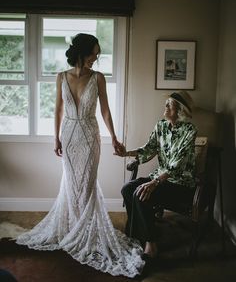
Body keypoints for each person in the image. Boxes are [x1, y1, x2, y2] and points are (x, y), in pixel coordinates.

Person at [16, 33, 144, 277]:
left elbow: (105, 110)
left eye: (97, 53)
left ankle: (86, 233)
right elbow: (58, 109)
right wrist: (56, 138)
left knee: (86, 185)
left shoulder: (98, 78)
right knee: (72, 184)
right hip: (69, 134)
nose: (97, 57)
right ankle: (75, 228)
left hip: (89, 136)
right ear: (82, 52)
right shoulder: (61, 77)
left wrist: (114, 137)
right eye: (94, 52)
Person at [116, 91, 197, 260]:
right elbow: (148, 149)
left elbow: (178, 163)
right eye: (166, 103)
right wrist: (126, 153)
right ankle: (137, 235)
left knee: (141, 194)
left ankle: (151, 244)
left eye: (169, 104)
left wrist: (155, 183)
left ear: (180, 110)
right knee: (127, 189)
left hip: (180, 183)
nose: (165, 106)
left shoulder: (190, 130)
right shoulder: (160, 126)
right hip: (159, 178)